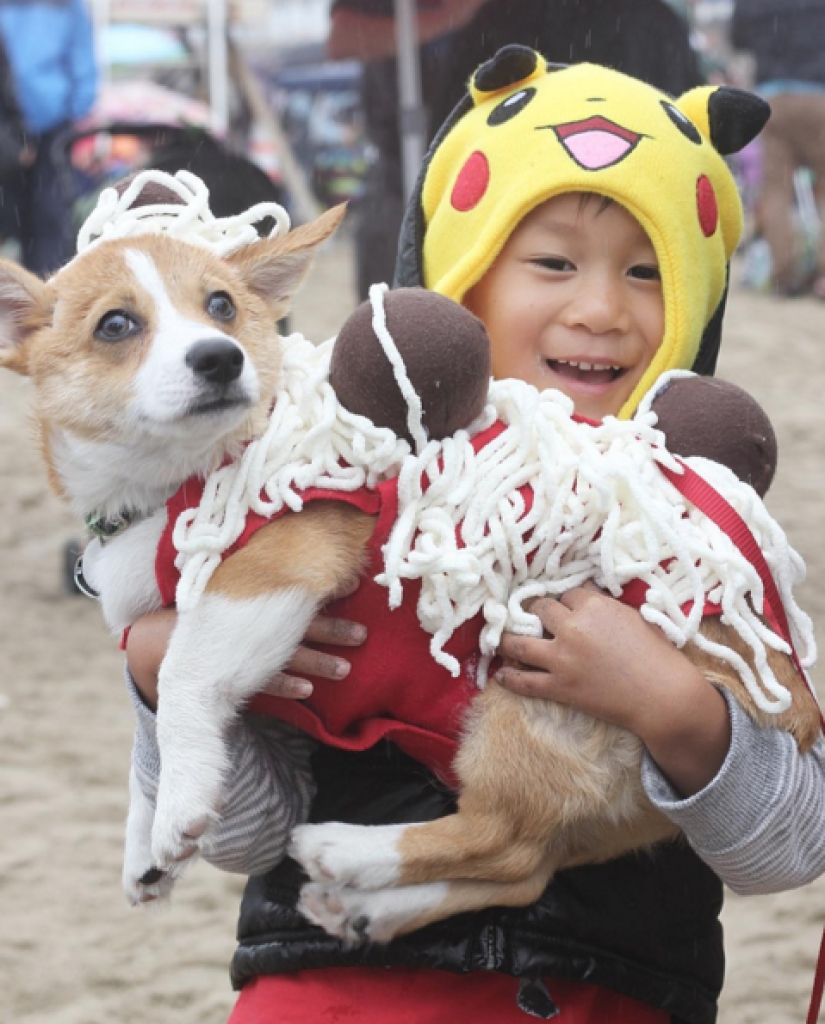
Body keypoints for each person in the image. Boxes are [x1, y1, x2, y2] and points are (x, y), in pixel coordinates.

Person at [125, 53, 825, 1023]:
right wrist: (166, 667)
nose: (601, 309)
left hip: (597, 995)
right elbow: (241, 835)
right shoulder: (328, 491)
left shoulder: (693, 539)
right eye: (553, 262)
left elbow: (787, 847)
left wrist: (673, 707)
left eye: (648, 271)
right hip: (329, 989)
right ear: (456, 282)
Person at [328, 0, 704, 298]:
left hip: (567, 190)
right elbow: (343, 38)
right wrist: (453, 15)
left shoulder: (645, 21)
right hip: (425, 174)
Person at [731, 0, 825, 298]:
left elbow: (737, 38)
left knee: (775, 190)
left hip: (772, 100)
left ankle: (784, 275)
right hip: (819, 97)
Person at [0, 0, 97, 275]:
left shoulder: (68, 7)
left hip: (54, 129)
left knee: (50, 215)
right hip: (7, 132)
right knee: (11, 216)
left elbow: (83, 63)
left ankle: (48, 287)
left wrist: (81, 120)